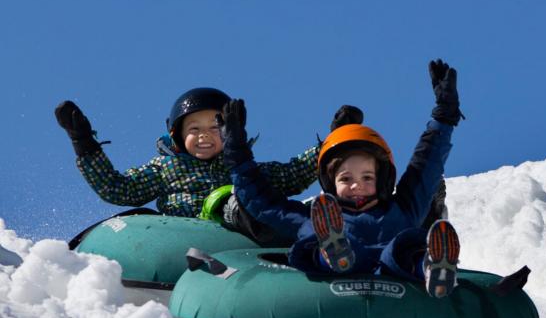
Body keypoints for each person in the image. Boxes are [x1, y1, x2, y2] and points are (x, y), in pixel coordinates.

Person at [218, 59, 464, 297]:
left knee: (403, 249)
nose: (357, 185)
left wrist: (444, 117)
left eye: (367, 177)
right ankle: (333, 252)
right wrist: (236, 153)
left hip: (393, 272)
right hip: (335, 279)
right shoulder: (312, 217)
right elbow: (263, 202)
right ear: (330, 182)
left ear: (383, 180)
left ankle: (432, 267)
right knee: (318, 244)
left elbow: (426, 165)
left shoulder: (402, 209)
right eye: (346, 179)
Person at [55, 88, 362, 244]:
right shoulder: (166, 168)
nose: (204, 136)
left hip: (244, 241)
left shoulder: (244, 168)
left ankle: (322, 234)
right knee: (233, 200)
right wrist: (84, 143)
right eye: (194, 129)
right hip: (189, 235)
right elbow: (117, 188)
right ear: (176, 134)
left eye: (215, 128)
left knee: (267, 199)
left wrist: (334, 141)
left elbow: (293, 173)